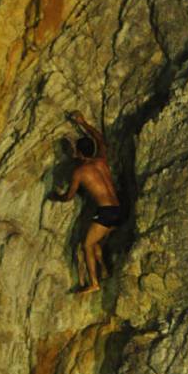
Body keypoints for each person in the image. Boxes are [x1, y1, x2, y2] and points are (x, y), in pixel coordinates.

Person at [48, 111, 125, 294]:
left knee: (86, 245)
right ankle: (104, 270)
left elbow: (69, 197)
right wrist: (83, 122)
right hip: (118, 209)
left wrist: (56, 196)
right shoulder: (102, 161)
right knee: (95, 241)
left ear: (79, 152)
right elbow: (99, 138)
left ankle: (94, 283)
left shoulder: (80, 172)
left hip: (106, 212)